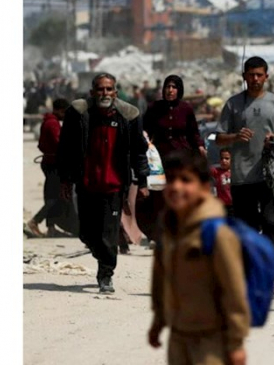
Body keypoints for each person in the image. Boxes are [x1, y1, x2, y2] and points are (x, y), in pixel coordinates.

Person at [148, 151, 249, 365]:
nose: (176, 187)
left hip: (210, 339)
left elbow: (234, 290)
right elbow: (160, 279)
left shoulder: (217, 233)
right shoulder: (168, 230)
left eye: (186, 180)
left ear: (204, 188)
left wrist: (236, 343)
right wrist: (158, 321)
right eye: (171, 179)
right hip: (178, 336)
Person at [57, 72, 150, 293]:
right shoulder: (79, 114)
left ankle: (106, 273)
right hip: (87, 183)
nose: (105, 93)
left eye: (109, 89)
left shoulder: (128, 116)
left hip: (114, 186)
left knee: (108, 233)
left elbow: (139, 151)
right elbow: (65, 148)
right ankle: (102, 257)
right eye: (100, 89)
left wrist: (143, 180)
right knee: (87, 233)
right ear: (92, 92)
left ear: (116, 92)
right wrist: (65, 179)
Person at [215, 56, 274, 296]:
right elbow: (218, 139)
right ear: (244, 77)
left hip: (270, 176)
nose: (255, 79)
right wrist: (235, 137)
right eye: (251, 75)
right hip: (241, 177)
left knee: (270, 223)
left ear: (266, 76)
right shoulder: (233, 105)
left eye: (259, 75)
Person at [140, 75, 206, 245]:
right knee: (160, 197)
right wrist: (144, 138)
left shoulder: (186, 109)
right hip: (159, 160)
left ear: (179, 90)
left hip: (181, 159)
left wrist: (199, 146)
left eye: (174, 87)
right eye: (168, 87)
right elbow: (144, 129)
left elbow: (193, 133)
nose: (170, 90)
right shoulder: (154, 107)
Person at [27, 98, 73, 237]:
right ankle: (35, 221)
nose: (65, 115)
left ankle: (51, 227)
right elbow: (59, 143)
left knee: (52, 196)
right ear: (59, 110)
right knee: (55, 197)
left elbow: (41, 145)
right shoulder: (52, 123)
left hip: (49, 161)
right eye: (64, 112)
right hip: (54, 164)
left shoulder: (48, 121)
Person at [211, 148, 233, 212]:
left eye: (227, 158)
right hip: (222, 205)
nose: (223, 161)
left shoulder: (235, 172)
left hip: (234, 205)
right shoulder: (217, 171)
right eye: (221, 158)